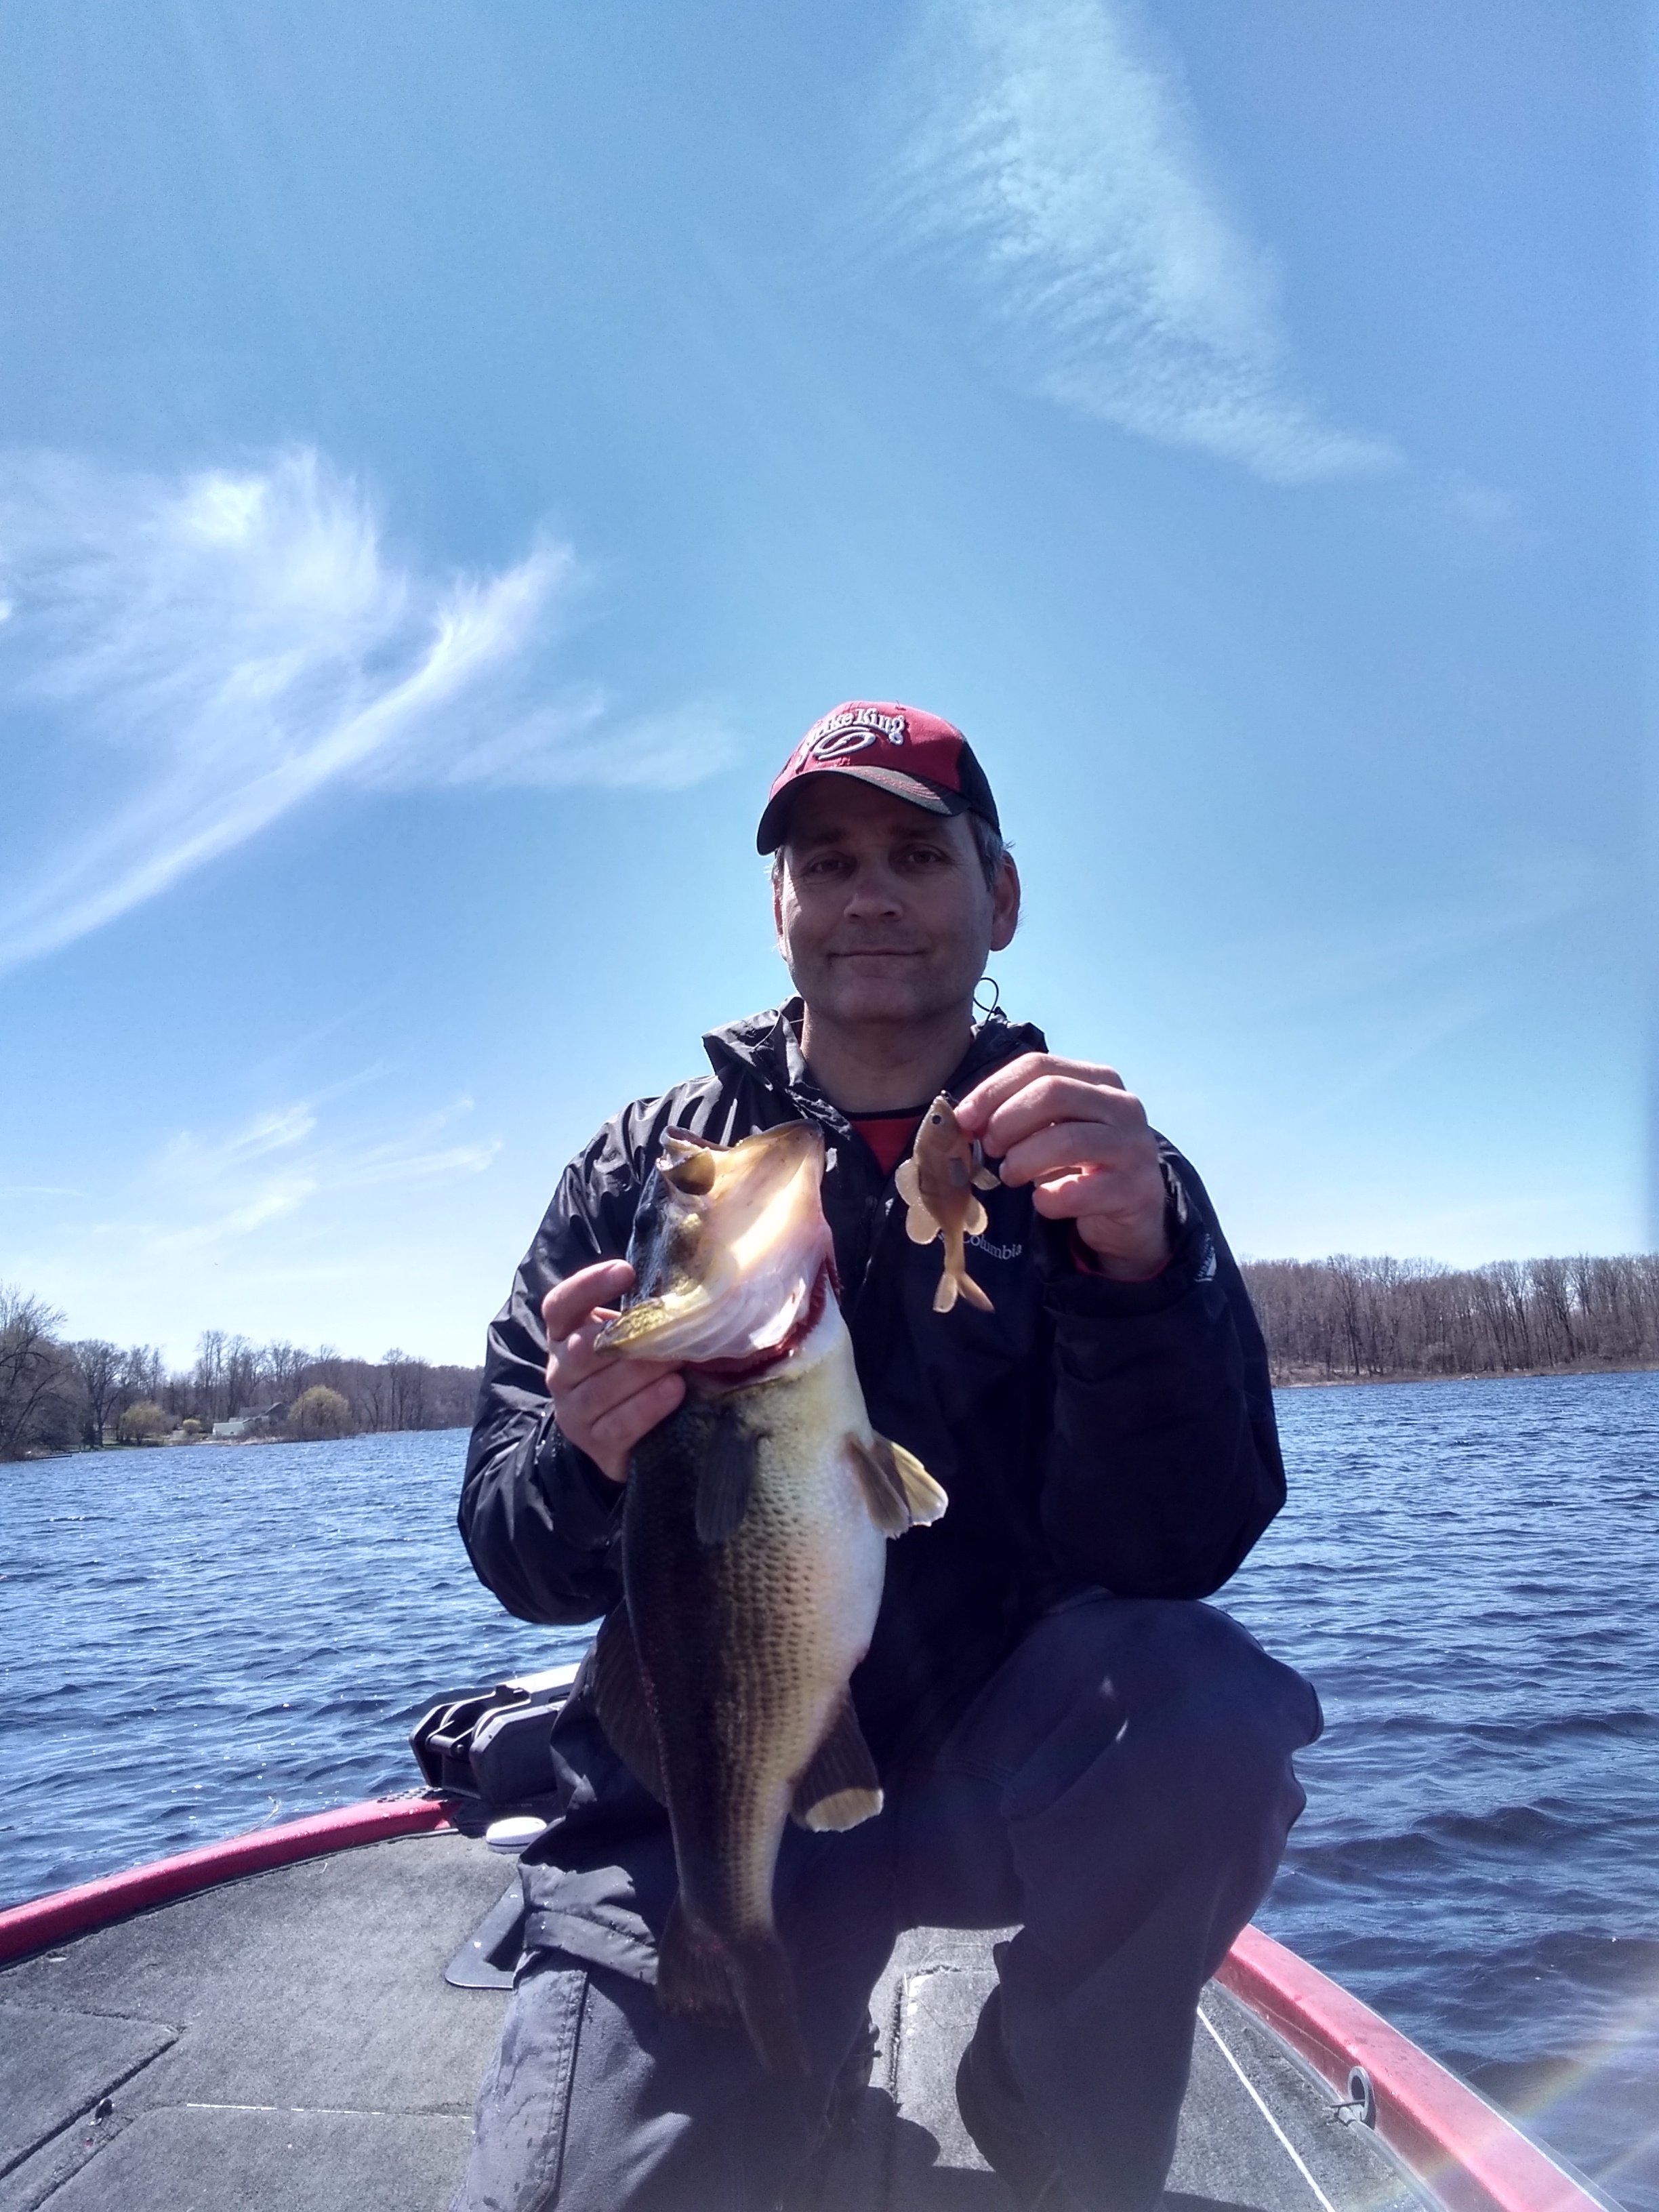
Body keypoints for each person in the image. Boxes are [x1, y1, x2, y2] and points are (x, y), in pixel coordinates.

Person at [453, 701, 1321, 2212]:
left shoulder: (1096, 1163)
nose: (869, 895)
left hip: (994, 1752)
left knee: (1211, 1716)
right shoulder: (648, 1169)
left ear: (1001, 896)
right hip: (709, 1776)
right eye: (826, 860)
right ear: (778, 909)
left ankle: (1048, 2113)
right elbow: (510, 1544)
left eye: (917, 855)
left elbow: (1185, 1545)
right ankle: (754, 2036)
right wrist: (585, 1461)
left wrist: (1138, 1274)